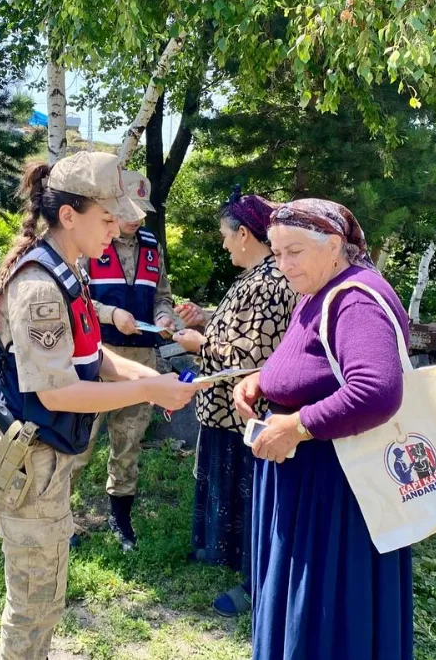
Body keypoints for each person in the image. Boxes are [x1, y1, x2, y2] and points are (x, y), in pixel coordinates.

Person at [0, 151, 199, 660]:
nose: (115, 229)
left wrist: (151, 378)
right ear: (69, 215)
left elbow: (91, 354)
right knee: (33, 608)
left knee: (45, 599)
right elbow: (57, 392)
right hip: (30, 464)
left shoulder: (68, 272)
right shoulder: (40, 286)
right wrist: (150, 391)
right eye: (106, 218)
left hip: (47, 457)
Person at [232, 199, 414, 660]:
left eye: (294, 251)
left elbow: (376, 391)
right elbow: (313, 365)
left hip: (333, 495)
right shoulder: (320, 290)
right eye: (277, 253)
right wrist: (262, 380)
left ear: (334, 245)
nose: (283, 265)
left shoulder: (355, 299)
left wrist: (296, 426)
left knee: (325, 617)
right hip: (311, 487)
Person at [170, 190, 295, 618]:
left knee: (252, 502)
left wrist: (198, 344)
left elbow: (255, 359)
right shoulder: (256, 276)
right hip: (228, 413)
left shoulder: (270, 282)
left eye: (226, 235)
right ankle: (227, 557)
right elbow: (240, 330)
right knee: (233, 494)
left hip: (245, 415)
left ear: (244, 234)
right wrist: (206, 318)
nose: (223, 244)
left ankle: (256, 583)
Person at [72, 170, 177, 551]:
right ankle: (59, 516)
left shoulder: (151, 246)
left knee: (129, 442)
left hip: (141, 358)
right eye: (130, 210)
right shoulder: (90, 245)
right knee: (80, 441)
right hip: (96, 359)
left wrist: (164, 316)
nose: (137, 218)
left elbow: (162, 294)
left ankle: (121, 519)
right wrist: (111, 315)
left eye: (142, 212)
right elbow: (77, 298)